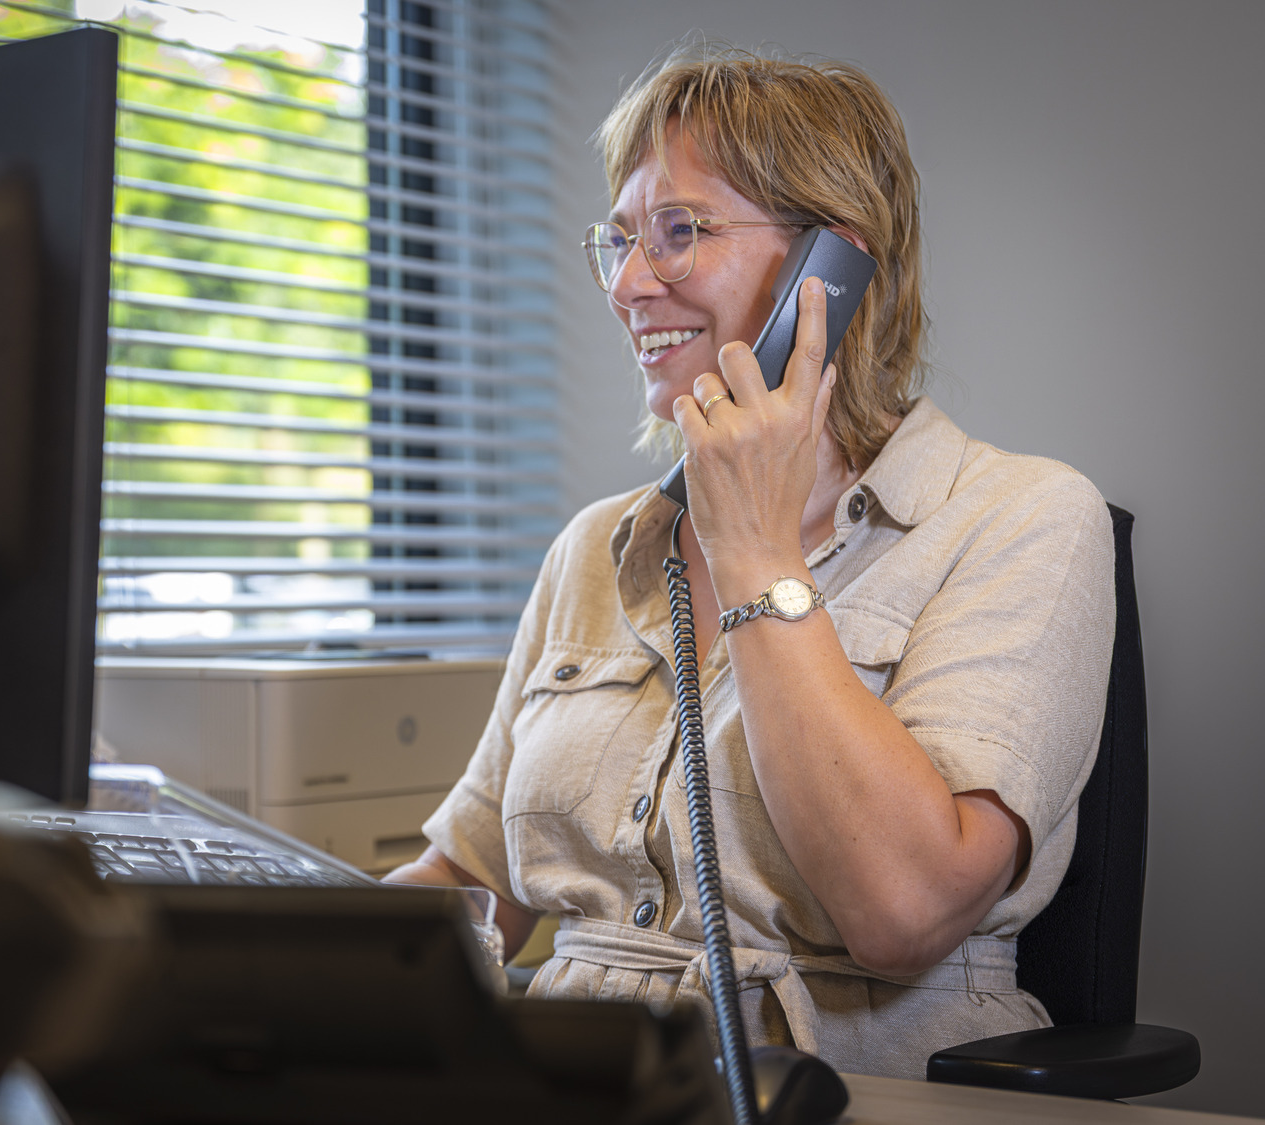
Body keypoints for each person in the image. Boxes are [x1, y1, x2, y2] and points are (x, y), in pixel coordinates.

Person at [384, 42, 1116, 1081]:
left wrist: (756, 552)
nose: (631, 284)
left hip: (844, 1088)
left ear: (832, 268)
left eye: (679, 232)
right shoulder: (596, 548)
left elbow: (903, 910)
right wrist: (257, 955)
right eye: (622, 239)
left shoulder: (1022, 517)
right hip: (565, 1079)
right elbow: (470, 881)